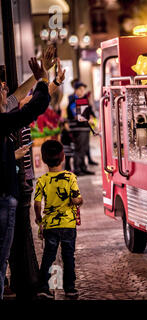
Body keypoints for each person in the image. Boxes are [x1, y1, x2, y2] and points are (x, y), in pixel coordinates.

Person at [0, 57, 51, 300]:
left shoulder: (4, 112)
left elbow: (19, 96)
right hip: (4, 198)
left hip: (8, 195)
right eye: (1, 89)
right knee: (1, 260)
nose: (6, 92)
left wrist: (40, 76)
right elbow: (33, 107)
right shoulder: (2, 120)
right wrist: (41, 78)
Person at [34, 140, 83, 299]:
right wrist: (78, 201)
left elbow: (36, 203)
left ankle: (43, 287)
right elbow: (77, 199)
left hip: (50, 225)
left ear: (43, 159)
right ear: (63, 157)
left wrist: (39, 219)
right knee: (68, 255)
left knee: (49, 255)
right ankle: (70, 288)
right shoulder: (70, 177)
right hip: (68, 224)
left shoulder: (42, 180)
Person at [66, 82, 95, 176]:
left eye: (83, 90)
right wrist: (87, 118)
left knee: (84, 148)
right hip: (78, 129)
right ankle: (77, 169)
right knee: (79, 148)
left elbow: (87, 113)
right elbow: (77, 115)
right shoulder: (73, 100)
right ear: (76, 90)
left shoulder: (82, 100)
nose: (83, 91)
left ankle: (83, 167)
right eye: (81, 89)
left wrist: (89, 116)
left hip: (84, 128)